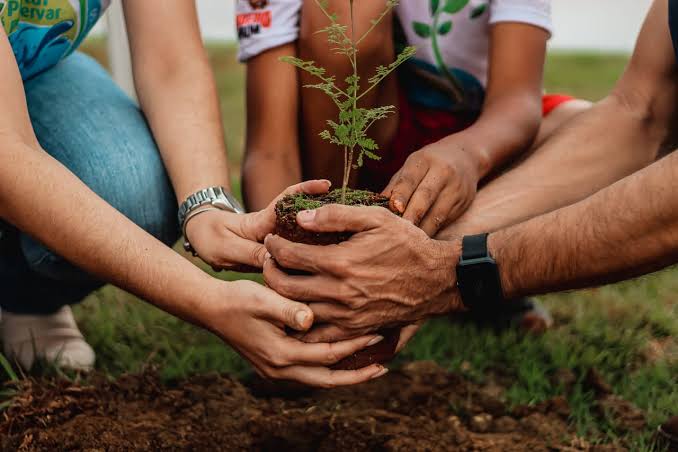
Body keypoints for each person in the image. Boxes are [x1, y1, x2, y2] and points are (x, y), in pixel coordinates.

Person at [262, 0, 676, 383]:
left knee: (572, 120)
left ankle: (470, 287)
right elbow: (639, 111)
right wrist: (423, 254)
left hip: (470, 142)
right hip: (386, 149)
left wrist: (450, 270)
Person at [0, 1, 388, 388]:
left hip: (31, 66)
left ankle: (22, 297)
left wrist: (205, 205)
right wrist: (207, 300)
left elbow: (171, 61)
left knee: (138, 190)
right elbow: (8, 157)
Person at [238, 0, 591, 331]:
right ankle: (328, 251)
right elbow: (271, 150)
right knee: (348, 11)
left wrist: (470, 155)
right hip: (372, 147)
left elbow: (516, 103)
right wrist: (289, 274)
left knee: (594, 133)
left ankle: (469, 260)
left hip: (476, 148)